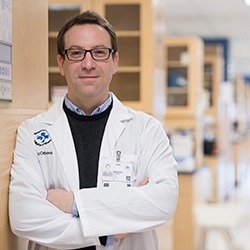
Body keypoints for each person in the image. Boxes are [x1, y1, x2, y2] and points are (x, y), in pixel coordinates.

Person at [9, 10, 178, 250]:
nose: (88, 64)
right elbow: (24, 217)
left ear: (114, 61)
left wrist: (73, 203)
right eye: (76, 53)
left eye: (99, 53)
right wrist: (107, 231)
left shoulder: (146, 130)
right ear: (61, 63)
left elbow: (163, 202)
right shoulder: (32, 133)